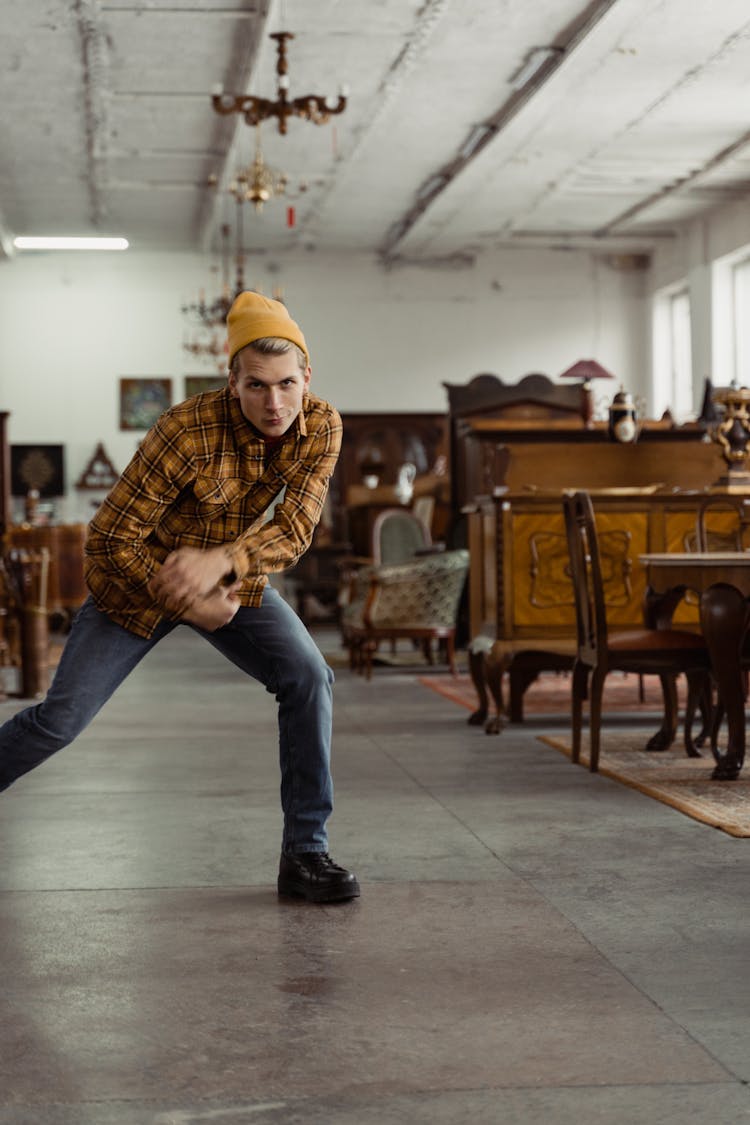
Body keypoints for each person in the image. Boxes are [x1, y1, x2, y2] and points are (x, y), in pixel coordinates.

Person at [0, 291, 360, 904]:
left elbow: (295, 527)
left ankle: (305, 855)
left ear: (307, 377)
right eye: (255, 386)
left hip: (229, 577)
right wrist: (190, 600)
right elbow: (109, 538)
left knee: (309, 675)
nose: (273, 403)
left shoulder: (321, 425)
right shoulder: (185, 429)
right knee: (59, 720)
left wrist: (224, 563)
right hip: (135, 585)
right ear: (232, 381)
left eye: (285, 384)